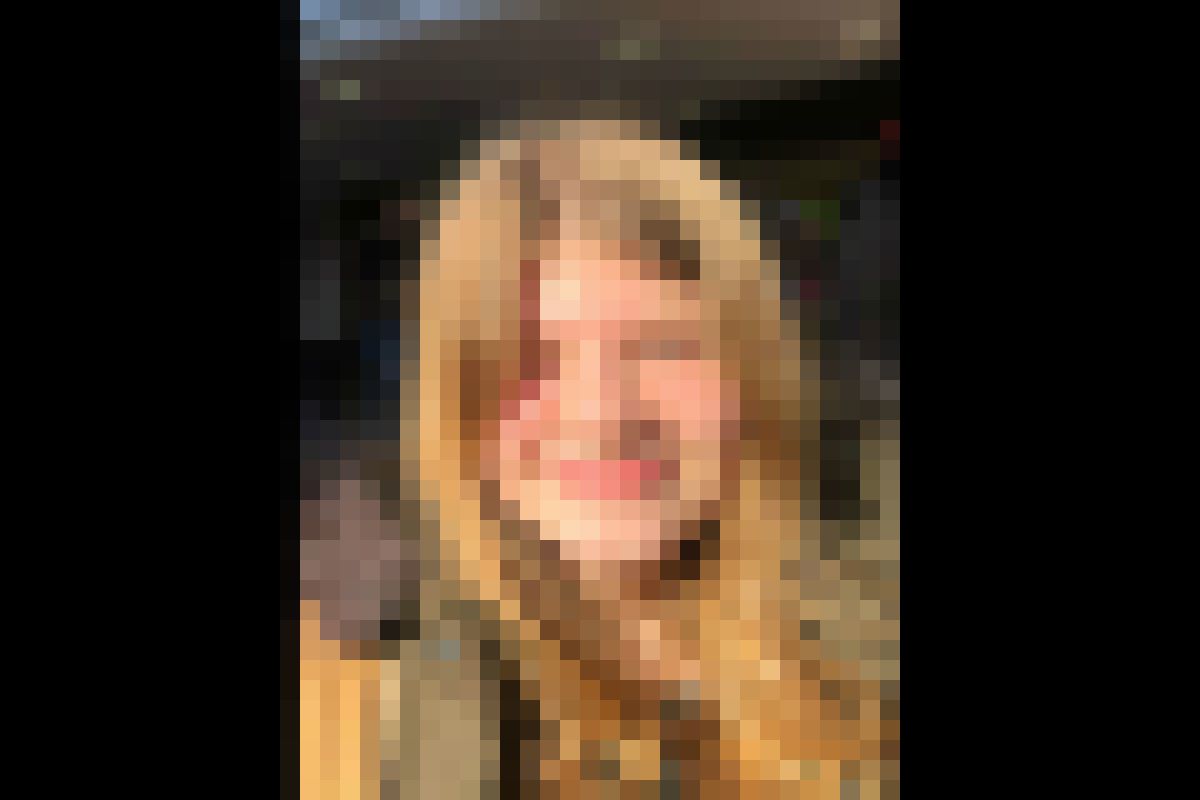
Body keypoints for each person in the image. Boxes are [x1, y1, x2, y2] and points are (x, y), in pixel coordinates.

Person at [301, 117, 894, 799]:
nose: (603, 412)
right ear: (455, 394)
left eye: (664, 345)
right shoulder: (354, 688)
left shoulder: (870, 593)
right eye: (531, 355)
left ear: (750, 365)